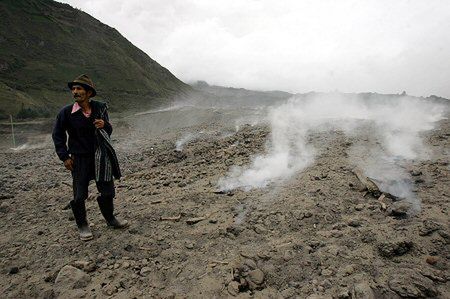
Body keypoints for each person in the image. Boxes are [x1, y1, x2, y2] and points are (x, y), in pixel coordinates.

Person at [52, 74, 128, 241]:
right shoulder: (66, 113)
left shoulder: (100, 108)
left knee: (107, 190)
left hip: (101, 155)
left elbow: (108, 130)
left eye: (79, 89)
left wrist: (105, 125)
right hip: (79, 158)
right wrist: (64, 157)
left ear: (89, 92)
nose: (75, 92)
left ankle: (110, 219)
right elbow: (57, 135)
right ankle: (82, 225)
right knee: (79, 194)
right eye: (73, 89)